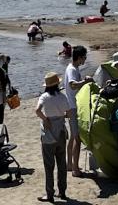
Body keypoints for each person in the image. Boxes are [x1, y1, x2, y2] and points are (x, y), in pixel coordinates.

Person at [34, 72, 72, 202]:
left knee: (49, 166)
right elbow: (69, 113)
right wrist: (61, 116)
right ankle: (62, 192)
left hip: (49, 133)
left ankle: (49, 194)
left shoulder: (44, 97)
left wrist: (45, 119)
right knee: (61, 164)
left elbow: (37, 110)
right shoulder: (62, 97)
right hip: (61, 131)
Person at [64, 45, 88, 177]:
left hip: (70, 105)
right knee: (77, 138)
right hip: (73, 107)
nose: (85, 59)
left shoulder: (72, 68)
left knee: (73, 137)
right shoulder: (72, 69)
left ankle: (69, 165)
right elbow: (72, 85)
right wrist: (85, 81)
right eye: (84, 57)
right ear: (79, 57)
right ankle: (75, 169)